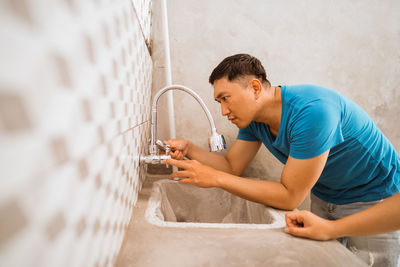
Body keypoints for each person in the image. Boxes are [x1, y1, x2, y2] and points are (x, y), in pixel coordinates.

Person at [163, 54, 400, 266]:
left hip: (376, 200)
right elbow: (231, 166)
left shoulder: (313, 111)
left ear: (255, 88)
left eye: (226, 98)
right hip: (325, 196)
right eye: (219, 103)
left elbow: (289, 196)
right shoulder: (254, 119)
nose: (223, 111)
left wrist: (215, 178)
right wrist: (190, 148)